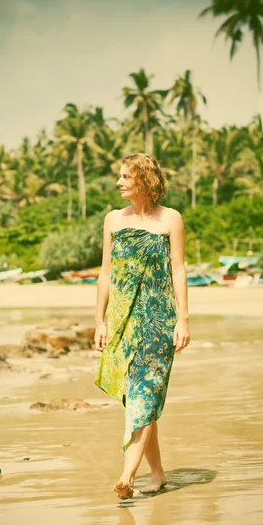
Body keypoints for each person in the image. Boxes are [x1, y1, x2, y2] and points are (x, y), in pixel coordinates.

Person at [94, 153, 190, 500]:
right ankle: (159, 474)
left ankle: (126, 476)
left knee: (144, 397)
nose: (118, 182)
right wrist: (99, 321)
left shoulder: (170, 219)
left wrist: (183, 319)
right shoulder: (112, 220)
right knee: (140, 402)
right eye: (118, 176)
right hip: (124, 322)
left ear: (144, 180)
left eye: (125, 177)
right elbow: (105, 273)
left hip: (158, 322)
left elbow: (178, 270)